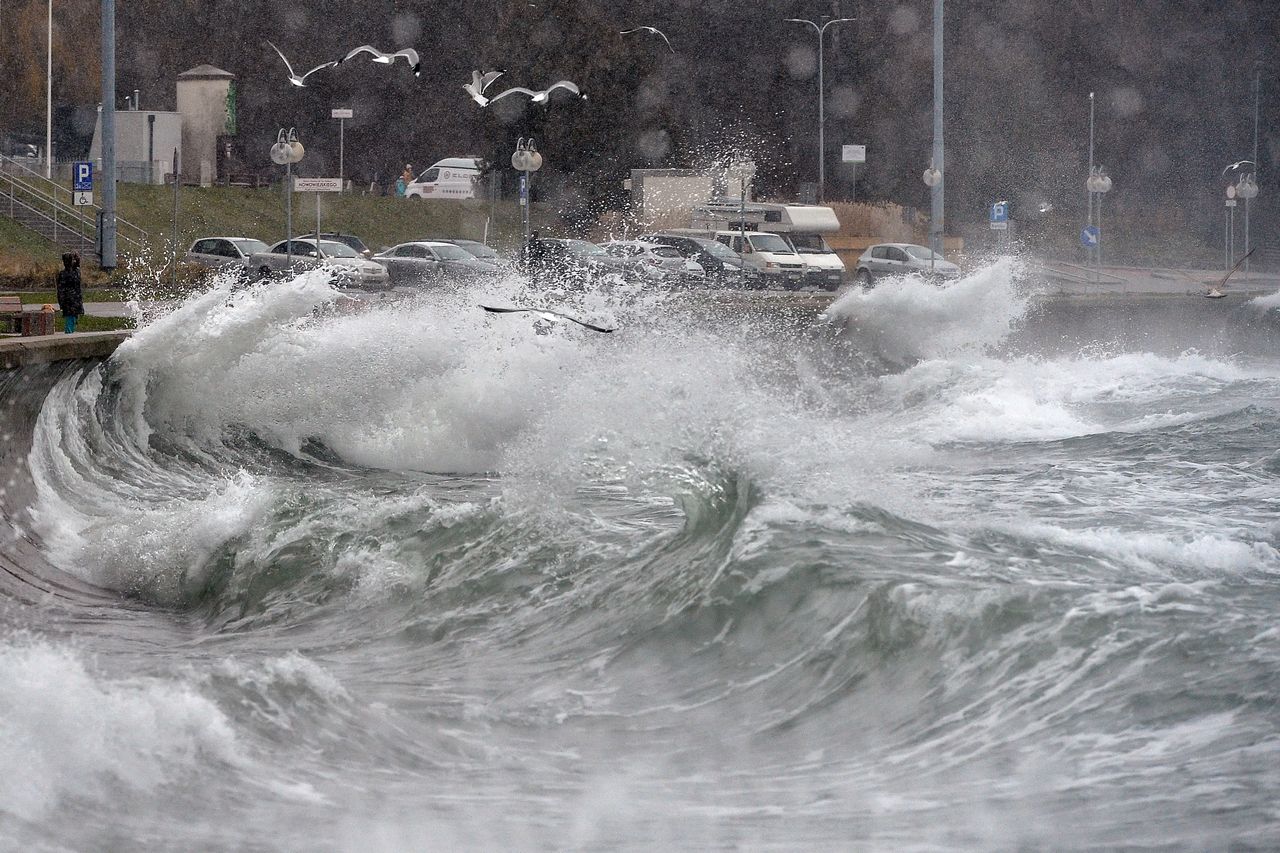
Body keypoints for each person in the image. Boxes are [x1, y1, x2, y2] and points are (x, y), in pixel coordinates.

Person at [55, 251, 83, 334]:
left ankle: (69, 332)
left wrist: (61, 301)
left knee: (71, 318)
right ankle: (69, 333)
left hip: (68, 299)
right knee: (72, 318)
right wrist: (76, 257)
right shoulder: (76, 272)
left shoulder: (64, 274)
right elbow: (77, 265)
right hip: (74, 299)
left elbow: (60, 289)